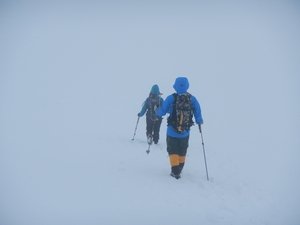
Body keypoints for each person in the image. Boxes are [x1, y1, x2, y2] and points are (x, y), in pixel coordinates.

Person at [156, 77, 203, 179]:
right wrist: (199, 121)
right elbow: (197, 112)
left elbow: (162, 111)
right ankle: (180, 168)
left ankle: (175, 170)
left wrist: (157, 112)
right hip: (185, 132)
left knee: (173, 150)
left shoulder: (171, 98)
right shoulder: (192, 99)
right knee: (182, 149)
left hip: (172, 131)